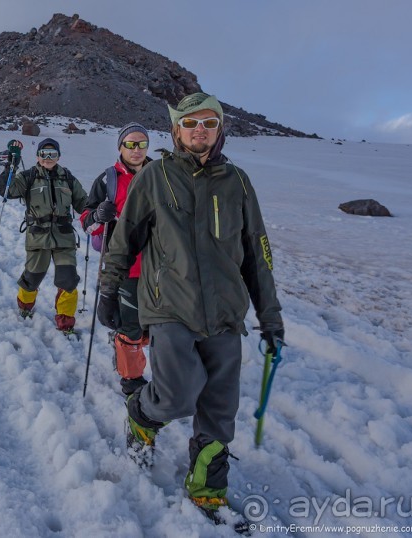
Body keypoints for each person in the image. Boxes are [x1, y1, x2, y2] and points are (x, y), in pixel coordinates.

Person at [97, 93, 284, 517]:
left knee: (220, 411)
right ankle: (142, 414)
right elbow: (124, 240)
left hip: (224, 314)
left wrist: (270, 318)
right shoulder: (156, 176)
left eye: (209, 123)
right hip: (169, 307)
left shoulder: (237, 182)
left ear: (220, 130)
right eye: (190, 122)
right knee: (178, 395)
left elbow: (258, 253)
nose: (200, 129)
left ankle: (207, 490)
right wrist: (110, 290)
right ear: (176, 130)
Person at [80, 122, 153, 395]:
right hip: (125, 268)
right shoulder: (106, 180)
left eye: (141, 144)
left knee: (154, 325)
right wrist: (99, 216)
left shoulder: (161, 176)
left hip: (161, 268)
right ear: (120, 147)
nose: (136, 149)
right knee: (131, 326)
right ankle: (131, 379)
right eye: (130, 144)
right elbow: (86, 225)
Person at [0, 138, 88, 334]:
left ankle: (65, 323)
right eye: (44, 154)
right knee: (32, 278)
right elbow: (6, 191)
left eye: (52, 154)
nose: (48, 158)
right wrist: (11, 164)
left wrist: (97, 212)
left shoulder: (68, 178)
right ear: (38, 156)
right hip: (38, 236)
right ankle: (25, 308)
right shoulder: (28, 176)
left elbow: (83, 203)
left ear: (58, 156)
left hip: (64, 237)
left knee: (68, 280)